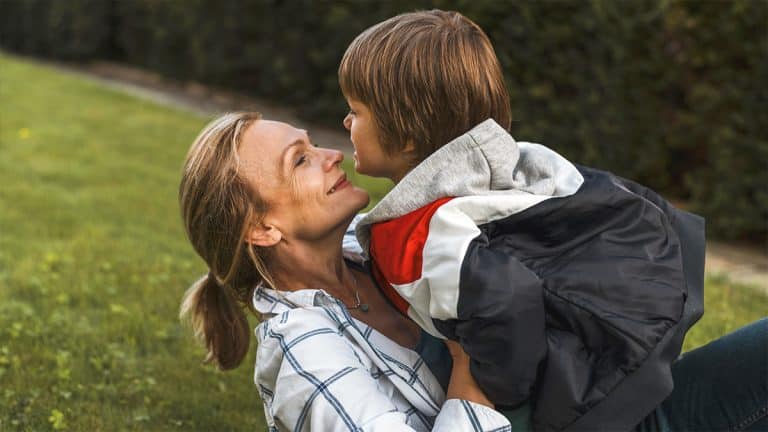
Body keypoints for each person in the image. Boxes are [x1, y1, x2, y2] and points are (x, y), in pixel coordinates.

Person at [179, 112, 767, 432]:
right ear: (263, 230)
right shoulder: (306, 357)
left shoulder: (378, 251)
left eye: (313, 143)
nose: (331, 152)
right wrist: (475, 360)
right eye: (300, 160)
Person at [339, 10, 708, 431]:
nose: (345, 123)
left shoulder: (420, 234)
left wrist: (505, 395)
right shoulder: (500, 165)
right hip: (641, 311)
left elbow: (506, 299)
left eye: (356, 111)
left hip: (591, 393)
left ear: (405, 134)